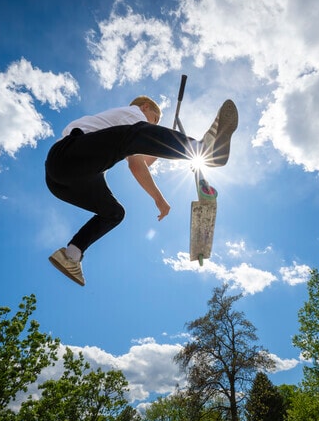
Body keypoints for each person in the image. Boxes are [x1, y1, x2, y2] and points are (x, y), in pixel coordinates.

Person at [45, 96, 238, 286]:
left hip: (62, 180)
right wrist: (159, 198)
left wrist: (163, 143)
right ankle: (205, 149)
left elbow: (141, 159)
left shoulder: (117, 129)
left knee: (114, 213)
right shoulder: (132, 112)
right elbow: (136, 162)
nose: (153, 124)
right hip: (68, 155)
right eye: (155, 120)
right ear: (145, 107)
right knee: (138, 134)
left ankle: (71, 256)